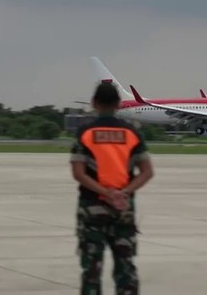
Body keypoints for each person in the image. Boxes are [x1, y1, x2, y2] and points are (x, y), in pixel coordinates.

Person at [70, 81, 154, 295]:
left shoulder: (86, 133)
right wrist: (123, 192)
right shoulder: (132, 133)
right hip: (123, 209)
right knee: (126, 269)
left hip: (92, 208)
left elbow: (78, 173)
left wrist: (105, 192)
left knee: (91, 271)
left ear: (93, 103)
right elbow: (147, 172)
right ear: (118, 103)